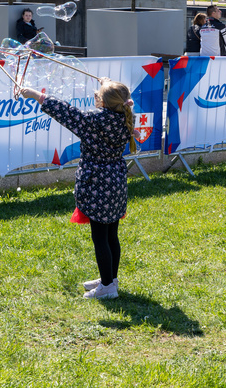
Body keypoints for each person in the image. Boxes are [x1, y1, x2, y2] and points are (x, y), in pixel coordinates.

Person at [21, 78, 137, 300]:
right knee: (112, 234)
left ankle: (107, 287)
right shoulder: (125, 115)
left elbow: (65, 111)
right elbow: (116, 99)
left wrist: (36, 95)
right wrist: (108, 86)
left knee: (100, 237)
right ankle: (110, 279)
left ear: (102, 102)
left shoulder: (94, 120)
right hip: (116, 181)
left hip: (97, 183)